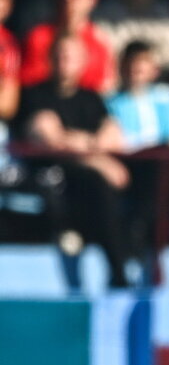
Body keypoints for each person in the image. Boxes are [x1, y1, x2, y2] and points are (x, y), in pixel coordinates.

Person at [20, 33, 130, 287]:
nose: (64, 61)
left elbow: (112, 135)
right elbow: (50, 139)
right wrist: (98, 160)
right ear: (49, 59)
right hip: (58, 180)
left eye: (70, 56)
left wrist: (78, 141)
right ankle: (118, 269)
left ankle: (132, 251)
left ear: (83, 61)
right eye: (59, 55)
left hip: (92, 182)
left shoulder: (91, 99)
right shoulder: (35, 95)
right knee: (98, 182)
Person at [106, 40, 169, 285]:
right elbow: (118, 142)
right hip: (134, 168)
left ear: (154, 70)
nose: (137, 72)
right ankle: (145, 251)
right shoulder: (111, 102)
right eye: (132, 66)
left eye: (143, 66)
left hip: (166, 166)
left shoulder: (168, 97)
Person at [20, 0, 115, 94]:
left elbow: (100, 87)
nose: (68, 0)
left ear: (92, 0)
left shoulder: (100, 43)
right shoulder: (38, 37)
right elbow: (29, 80)